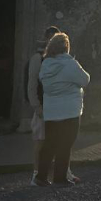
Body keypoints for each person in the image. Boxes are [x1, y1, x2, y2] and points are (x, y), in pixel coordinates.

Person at [34, 33, 90, 187]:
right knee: (65, 145)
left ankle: (41, 177)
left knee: (49, 144)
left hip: (51, 111)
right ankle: (60, 178)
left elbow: (43, 83)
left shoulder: (46, 64)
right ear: (66, 47)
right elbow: (85, 80)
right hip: (70, 111)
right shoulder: (70, 64)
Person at [28, 26, 70, 185]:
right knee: (40, 142)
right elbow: (32, 86)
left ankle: (64, 173)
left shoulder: (60, 60)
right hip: (43, 108)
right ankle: (36, 174)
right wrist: (36, 107)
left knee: (60, 142)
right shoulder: (37, 59)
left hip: (58, 108)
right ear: (47, 40)